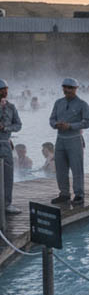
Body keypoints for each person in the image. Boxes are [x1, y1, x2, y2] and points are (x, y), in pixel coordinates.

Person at [49, 77, 89, 204]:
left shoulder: (82, 104)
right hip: (60, 139)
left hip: (74, 139)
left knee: (77, 168)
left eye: (70, 88)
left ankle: (79, 194)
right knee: (60, 168)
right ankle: (64, 193)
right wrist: (56, 124)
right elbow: (51, 119)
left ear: (76, 89)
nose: (67, 90)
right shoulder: (58, 103)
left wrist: (71, 126)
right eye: (65, 87)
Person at [0, 78, 23, 214]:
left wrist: (6, 127)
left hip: (5, 143)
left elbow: (18, 125)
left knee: (8, 175)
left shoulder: (11, 107)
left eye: (6, 90)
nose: (4, 92)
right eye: (2, 90)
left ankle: (7, 204)